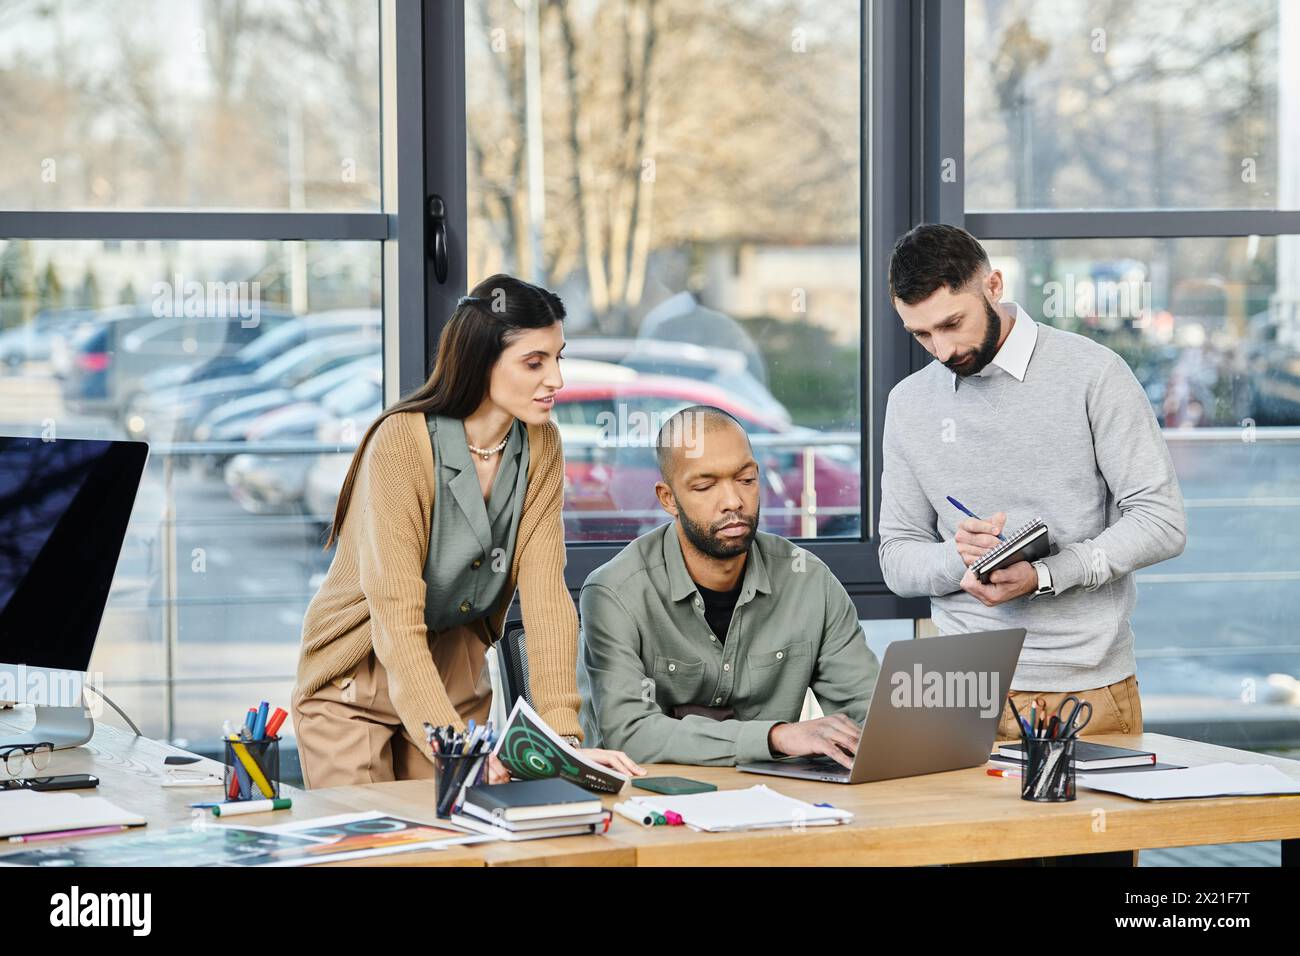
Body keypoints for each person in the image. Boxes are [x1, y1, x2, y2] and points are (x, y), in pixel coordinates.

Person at [291, 274, 642, 787]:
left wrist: (565, 743)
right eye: (534, 362)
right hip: (356, 681)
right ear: (482, 362)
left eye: (558, 357)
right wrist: (453, 747)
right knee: (375, 849)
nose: (557, 380)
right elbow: (395, 617)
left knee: (459, 847)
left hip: (455, 676)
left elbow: (546, 599)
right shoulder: (401, 443)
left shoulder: (541, 446)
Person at [879, 223, 1187, 741]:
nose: (942, 350)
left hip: (1084, 691)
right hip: (953, 690)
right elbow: (897, 556)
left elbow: (1162, 523)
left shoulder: (1094, 374)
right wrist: (958, 559)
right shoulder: (908, 403)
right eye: (921, 334)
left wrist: (1046, 575)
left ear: (993, 286)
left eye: (953, 323)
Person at [578, 404, 879, 766]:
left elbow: (870, 715)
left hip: (777, 803)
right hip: (650, 804)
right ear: (668, 499)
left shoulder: (809, 581)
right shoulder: (616, 593)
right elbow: (629, 734)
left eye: (746, 480)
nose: (734, 501)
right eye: (705, 485)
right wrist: (775, 737)